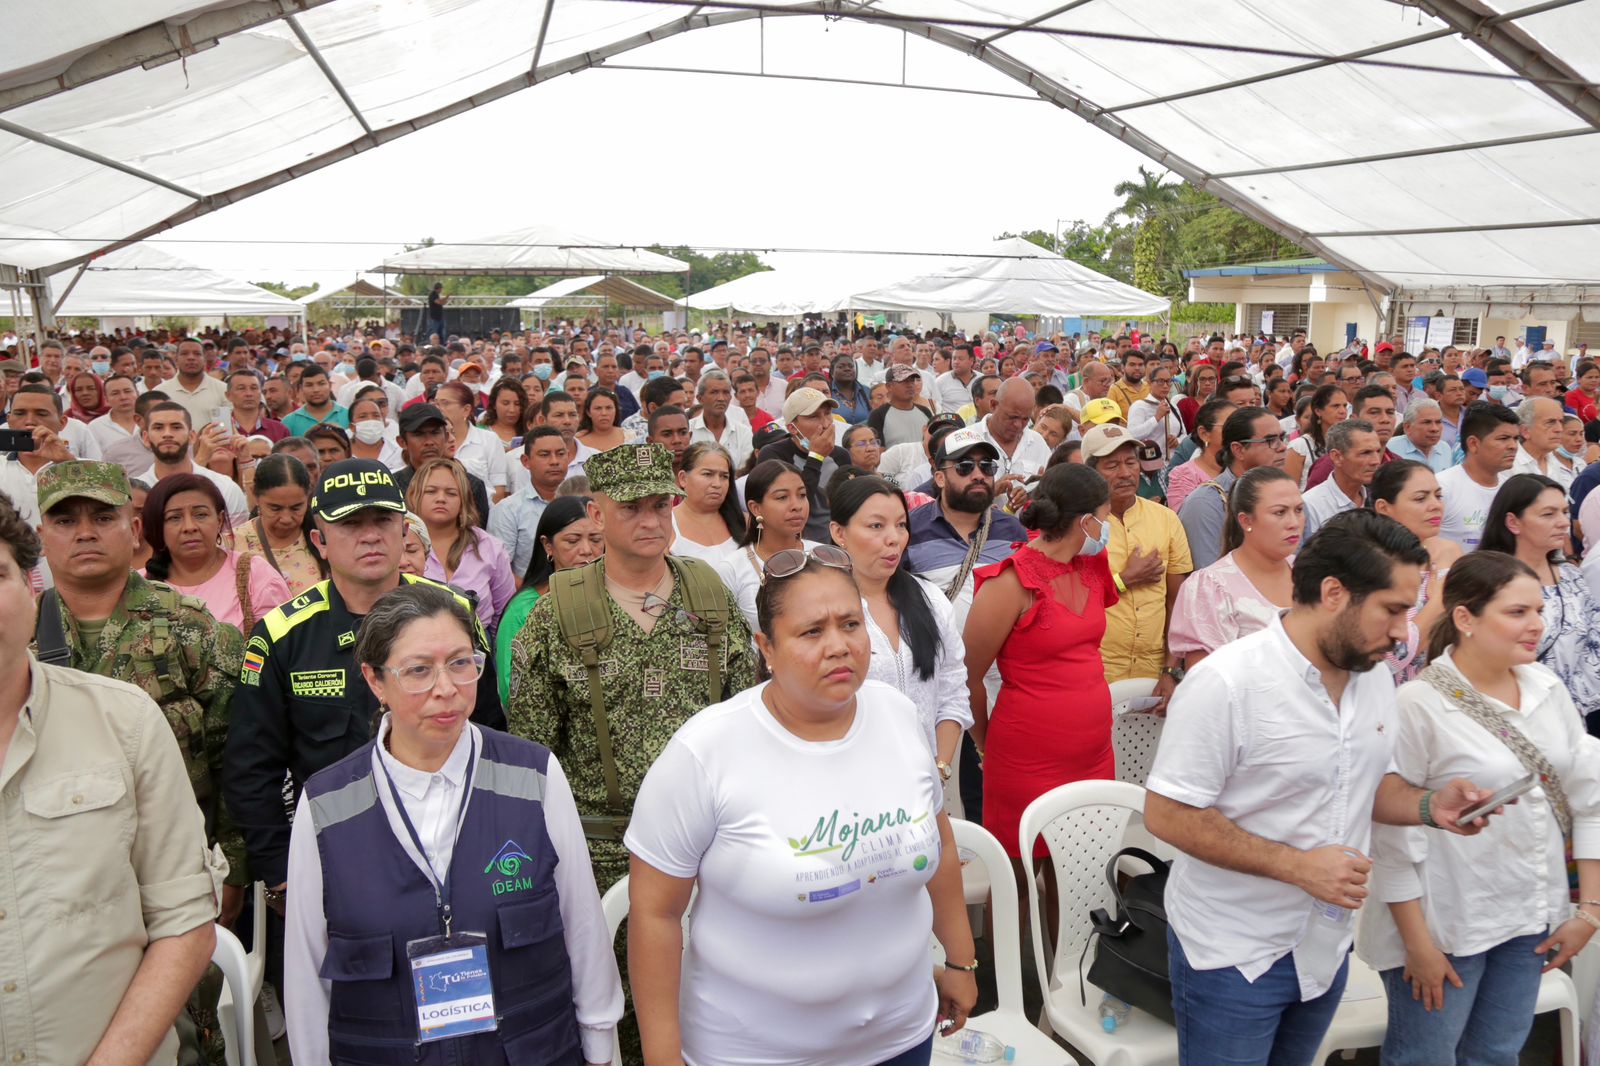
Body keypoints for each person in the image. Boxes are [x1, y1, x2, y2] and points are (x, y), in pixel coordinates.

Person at [1145, 510, 1499, 1066]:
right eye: (1393, 609)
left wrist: (1430, 806)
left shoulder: (1375, 676)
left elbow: (1364, 783)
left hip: (1325, 949)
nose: (1405, 630)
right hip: (1234, 955)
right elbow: (1168, 815)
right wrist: (1298, 867)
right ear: (1334, 592)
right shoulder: (1228, 682)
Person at [625, 548, 977, 1066]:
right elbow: (655, 913)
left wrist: (961, 961)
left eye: (851, 624)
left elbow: (940, 845)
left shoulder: (898, 715)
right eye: (812, 632)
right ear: (766, 646)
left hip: (902, 1037)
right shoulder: (707, 752)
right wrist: (661, 1054)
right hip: (756, 1051)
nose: (838, 646)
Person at [283, 582, 622, 1065]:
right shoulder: (326, 803)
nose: (446, 689)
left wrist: (599, 1043)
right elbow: (305, 969)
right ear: (375, 680)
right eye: (419, 670)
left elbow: (581, 921)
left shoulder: (534, 774)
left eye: (461, 663)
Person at [0, 493, 223, 1066]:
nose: (85, 534)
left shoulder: (125, 714)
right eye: (65, 520)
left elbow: (184, 919)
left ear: (29, 589)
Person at [224, 458, 504, 913]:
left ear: (404, 531)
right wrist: (280, 872)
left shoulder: (454, 613)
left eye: (382, 521)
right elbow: (252, 769)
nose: (370, 535)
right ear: (319, 540)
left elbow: (491, 731)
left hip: (454, 840)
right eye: (351, 524)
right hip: (334, 852)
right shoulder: (283, 635)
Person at [1356, 551, 1600, 1065]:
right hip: (1447, 923)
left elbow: (1589, 797)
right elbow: (1391, 831)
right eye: (1517, 612)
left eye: (1538, 610)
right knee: (1426, 1057)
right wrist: (1418, 945)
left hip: (1529, 915)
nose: (1537, 625)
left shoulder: (1546, 687)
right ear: (1465, 618)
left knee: (1497, 1053)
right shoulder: (1419, 704)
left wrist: (1590, 909)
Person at [506, 444, 757, 891]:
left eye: (661, 505)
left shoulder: (709, 596)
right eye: (631, 508)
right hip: (601, 854)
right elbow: (534, 751)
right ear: (596, 515)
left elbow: (745, 724)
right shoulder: (557, 613)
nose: (651, 521)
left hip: (708, 843)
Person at [33, 459, 248, 915]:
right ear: (40, 536)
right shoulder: (18, 637)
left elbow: (237, 756)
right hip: (53, 878)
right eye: (65, 520)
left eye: (103, 518)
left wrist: (235, 868)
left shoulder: (192, 628)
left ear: (134, 531)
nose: (85, 533)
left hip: (178, 870)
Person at [964, 459, 1117, 911]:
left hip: (1093, 753)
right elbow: (968, 675)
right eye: (1105, 519)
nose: (1108, 529)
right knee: (1016, 879)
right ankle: (1006, 978)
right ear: (1086, 520)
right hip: (1026, 757)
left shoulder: (1092, 564)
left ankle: (1065, 973)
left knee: (1079, 875)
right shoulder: (1012, 582)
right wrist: (985, 743)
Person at [830, 474, 970, 769]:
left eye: (901, 525)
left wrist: (939, 768)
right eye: (876, 526)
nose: (893, 538)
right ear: (839, 533)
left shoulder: (929, 599)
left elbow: (953, 688)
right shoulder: (821, 609)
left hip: (925, 784)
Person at [1080, 423, 1193, 703]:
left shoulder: (1165, 519)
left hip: (1154, 671)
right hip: (1096, 669)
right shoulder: (1077, 527)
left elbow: (1178, 603)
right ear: (1089, 472)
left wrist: (1171, 670)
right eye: (1112, 465)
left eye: (1131, 462)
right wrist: (1124, 579)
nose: (1126, 473)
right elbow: (1069, 603)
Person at [1478, 473, 1600, 731]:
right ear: (1513, 522)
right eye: (1548, 514)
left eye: (1565, 512)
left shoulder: (1571, 576)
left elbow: (1594, 640)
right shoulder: (1488, 581)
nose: (1562, 523)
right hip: (1514, 717)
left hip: (1579, 716)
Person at [1168, 467, 1301, 668]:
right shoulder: (1209, 587)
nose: (1294, 522)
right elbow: (1208, 682)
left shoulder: (1309, 572)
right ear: (1246, 520)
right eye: (1280, 512)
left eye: (1299, 510)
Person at [143, 471, 291, 634]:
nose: (189, 527)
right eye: (175, 518)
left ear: (219, 520)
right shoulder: (139, 585)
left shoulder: (255, 576)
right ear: (158, 526)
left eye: (201, 515)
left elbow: (283, 649)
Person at [495, 497, 603, 702]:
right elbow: (512, 690)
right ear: (548, 545)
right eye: (573, 541)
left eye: (596, 540)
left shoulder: (615, 596)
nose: (587, 550)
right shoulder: (524, 609)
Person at [1368, 460, 1462, 683]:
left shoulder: (1448, 552)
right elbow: (1390, 659)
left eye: (1438, 496)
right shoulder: (1372, 568)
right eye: (1421, 498)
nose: (1435, 505)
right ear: (1383, 508)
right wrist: (1441, 598)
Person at [407, 456, 515, 632]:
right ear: (414, 495)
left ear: (463, 500)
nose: (441, 499)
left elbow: (505, 616)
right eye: (431, 491)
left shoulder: (490, 548)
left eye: (451, 493)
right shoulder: (398, 544)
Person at [714, 458, 821, 633]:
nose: (796, 506)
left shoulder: (822, 557)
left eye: (802, 495)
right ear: (756, 508)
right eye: (782, 497)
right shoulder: (732, 569)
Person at [1178, 406, 1290, 569]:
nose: (1282, 447)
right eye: (1270, 440)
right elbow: (1211, 580)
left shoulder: (1286, 494)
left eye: (1282, 438)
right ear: (1238, 450)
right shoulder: (1206, 504)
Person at [755, 387, 852, 542]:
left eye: (827, 414)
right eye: (814, 417)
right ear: (792, 428)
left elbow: (848, 508)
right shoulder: (773, 455)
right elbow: (793, 505)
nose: (826, 424)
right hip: (790, 545)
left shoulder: (840, 456)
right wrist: (816, 457)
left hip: (834, 546)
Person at [142, 400, 251, 524]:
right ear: (146, 438)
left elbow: (237, 540)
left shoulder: (225, 487)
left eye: (176, 427)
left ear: (192, 436)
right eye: (158, 428)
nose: (167, 434)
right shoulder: (136, 491)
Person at [393, 403, 492, 527]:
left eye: (435, 433)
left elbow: (478, 537)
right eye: (419, 434)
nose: (429, 442)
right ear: (402, 442)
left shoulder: (471, 486)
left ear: (445, 437)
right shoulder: (392, 487)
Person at [488, 426, 567, 579]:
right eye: (544, 455)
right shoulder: (507, 510)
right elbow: (502, 571)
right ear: (526, 461)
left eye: (560, 454)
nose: (554, 461)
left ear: (568, 457)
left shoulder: (583, 503)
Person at [1438, 402, 1520, 549]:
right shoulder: (1442, 488)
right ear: (1473, 444)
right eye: (1503, 438)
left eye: (1515, 438)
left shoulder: (1511, 490)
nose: (1513, 446)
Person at [1301, 419, 1382, 537]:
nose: (1376, 461)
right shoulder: (1310, 506)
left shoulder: (1379, 500)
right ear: (1337, 457)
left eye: (1378, 451)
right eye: (1365, 453)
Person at [671, 441, 744, 561]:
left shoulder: (745, 522)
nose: (717, 484)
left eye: (724, 476)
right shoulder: (666, 526)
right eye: (708, 474)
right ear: (683, 478)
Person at [1166, 398, 1235, 513]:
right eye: (1230, 426)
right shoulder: (1184, 476)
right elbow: (1185, 522)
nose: (1238, 432)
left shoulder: (1244, 467)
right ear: (1204, 434)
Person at [1286, 383, 1350, 489]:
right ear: (1318, 411)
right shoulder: (1299, 446)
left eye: (1345, 406)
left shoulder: (1349, 443)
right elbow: (1289, 491)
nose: (1343, 411)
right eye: (1335, 406)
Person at [689, 369, 753, 469]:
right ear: (700, 398)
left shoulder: (743, 432)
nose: (721, 398)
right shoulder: (688, 430)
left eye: (726, 392)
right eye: (714, 392)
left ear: (730, 397)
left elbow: (746, 470)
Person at [282, 363, 349, 437]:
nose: (316, 390)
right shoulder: (289, 422)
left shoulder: (348, 416)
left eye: (321, 384)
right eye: (309, 385)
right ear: (301, 388)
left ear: (330, 385)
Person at [1389, 397, 1454, 472]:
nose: (1435, 429)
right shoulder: (1391, 449)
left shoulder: (1445, 448)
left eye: (1438, 422)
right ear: (1407, 427)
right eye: (1427, 422)